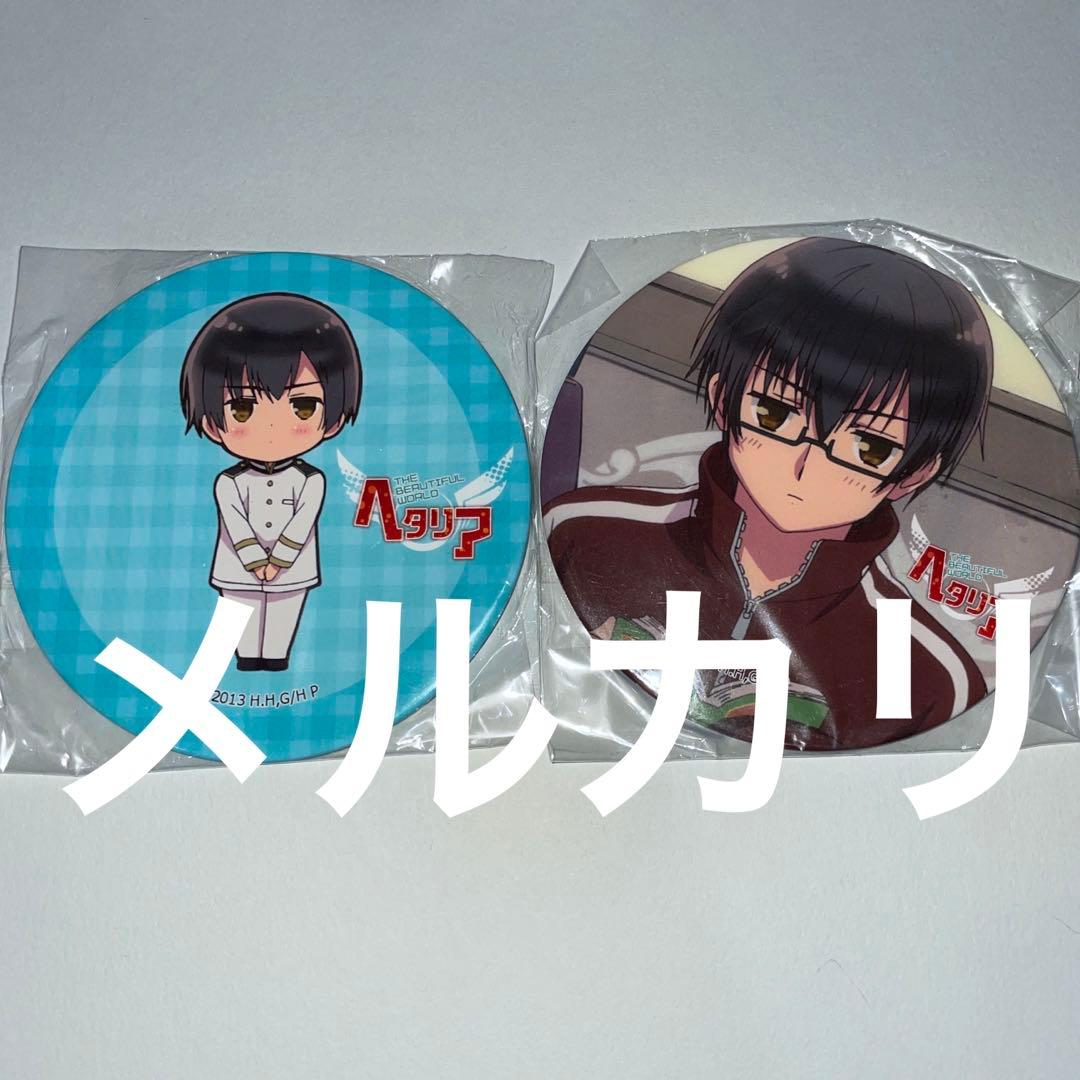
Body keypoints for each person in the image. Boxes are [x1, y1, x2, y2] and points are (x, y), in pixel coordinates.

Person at [544, 237, 992, 750]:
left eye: (868, 447)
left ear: (912, 475)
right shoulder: (580, 532)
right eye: (775, 414)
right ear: (723, 399)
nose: (806, 465)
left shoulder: (929, 677)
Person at [180, 293, 362, 671]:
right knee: (242, 623)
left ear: (333, 420)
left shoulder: (310, 479)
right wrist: (254, 561)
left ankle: (276, 660)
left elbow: (302, 522)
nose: (272, 428)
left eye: (303, 407)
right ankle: (249, 661)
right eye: (242, 408)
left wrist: (278, 561)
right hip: (236, 568)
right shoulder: (228, 482)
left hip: (293, 569)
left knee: (282, 618)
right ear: (212, 424)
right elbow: (235, 522)